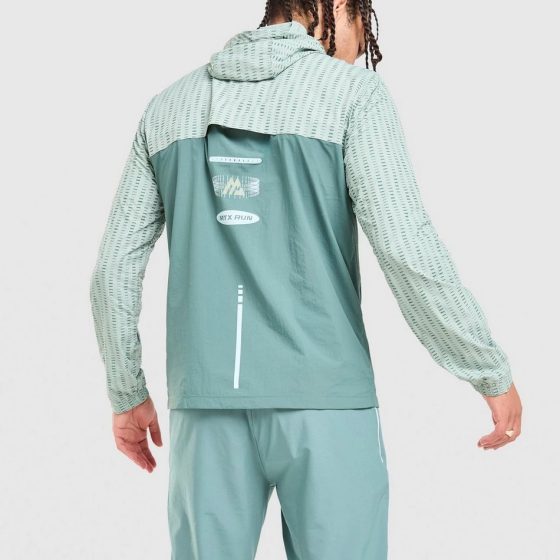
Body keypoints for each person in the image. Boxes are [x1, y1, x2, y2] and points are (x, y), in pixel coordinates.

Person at [89, 1, 523, 558]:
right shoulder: (352, 95)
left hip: (204, 405)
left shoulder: (169, 108)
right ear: (338, 6)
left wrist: (127, 392)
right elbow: (406, 246)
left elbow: (113, 269)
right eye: (363, 22)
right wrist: (486, 368)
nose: (358, 48)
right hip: (325, 399)